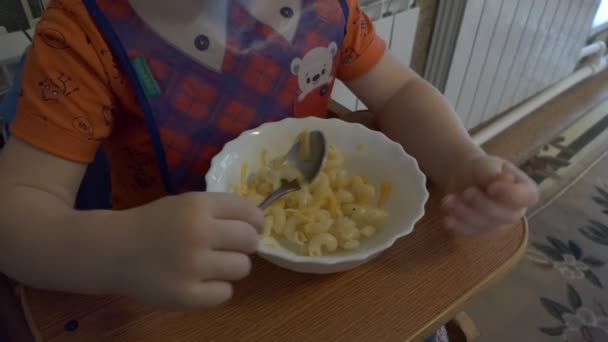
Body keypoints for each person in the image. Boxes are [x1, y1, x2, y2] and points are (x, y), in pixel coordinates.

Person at [0, 1, 538, 338]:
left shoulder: (327, 10)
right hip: (173, 284)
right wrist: (118, 250)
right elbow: (14, 222)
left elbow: (399, 92)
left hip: (321, 287)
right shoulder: (82, 39)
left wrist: (460, 160)